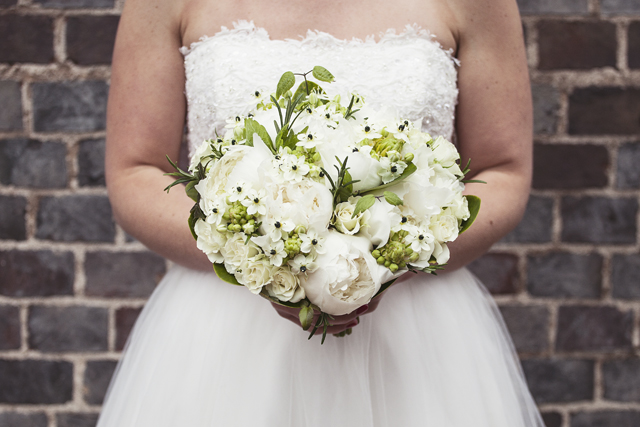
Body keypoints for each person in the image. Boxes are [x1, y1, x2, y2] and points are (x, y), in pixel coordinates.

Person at [99, 0, 543, 425]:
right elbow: (135, 172)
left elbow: (502, 172)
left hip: (416, 334)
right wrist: (265, 259)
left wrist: (392, 257)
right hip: (225, 333)